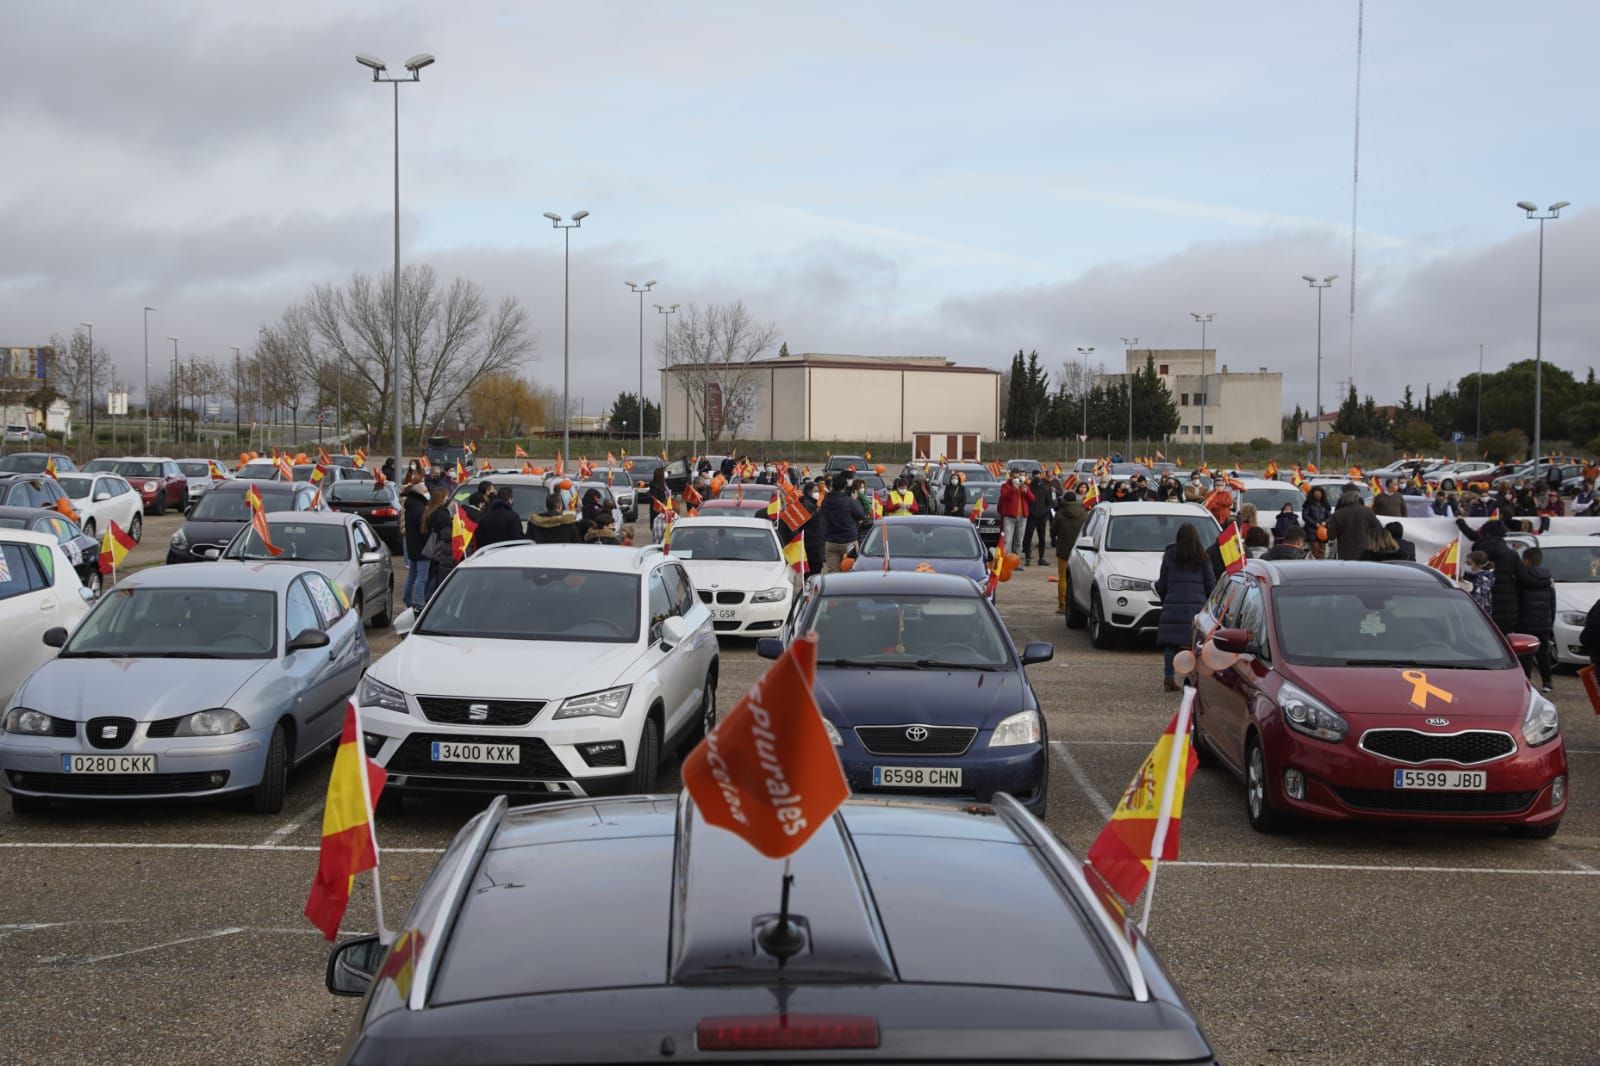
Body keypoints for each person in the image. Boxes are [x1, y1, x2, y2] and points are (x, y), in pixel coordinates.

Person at [1154, 523, 1216, 692]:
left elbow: (1163, 583)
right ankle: (1194, 678)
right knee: (1197, 644)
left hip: (1173, 604)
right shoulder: (1203, 557)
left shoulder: (1169, 556)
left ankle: (1168, 676)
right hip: (1196, 607)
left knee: (1171, 644)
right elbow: (1211, 584)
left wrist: (1165, 598)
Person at [1456, 519, 1522, 634]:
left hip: (1479, 611)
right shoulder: (1512, 554)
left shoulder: (1476, 553)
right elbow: (1523, 578)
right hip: (1507, 606)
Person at [1518, 545, 1556, 693]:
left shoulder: (1523, 578)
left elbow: (1519, 600)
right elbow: (1552, 603)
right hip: (1544, 622)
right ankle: (1547, 681)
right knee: (1543, 653)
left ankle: (1527, 681)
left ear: (1526, 560)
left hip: (1526, 621)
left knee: (1526, 654)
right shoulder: (1548, 578)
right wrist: (1550, 621)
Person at [821, 473, 867, 573]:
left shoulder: (826, 500)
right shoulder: (849, 501)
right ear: (845, 487)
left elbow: (823, 515)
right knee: (850, 571)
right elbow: (860, 515)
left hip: (831, 541)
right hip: (849, 541)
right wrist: (855, 501)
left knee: (832, 572)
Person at [1051, 490, 1087, 615]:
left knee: (1062, 578)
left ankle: (1063, 605)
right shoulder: (1084, 513)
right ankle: (1080, 603)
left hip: (1064, 550)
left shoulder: (1060, 513)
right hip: (1080, 550)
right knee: (1079, 577)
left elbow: (1052, 531)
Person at [401, 480, 432, 611]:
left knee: (412, 575)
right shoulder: (420, 509)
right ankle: (419, 602)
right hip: (422, 548)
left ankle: (408, 598)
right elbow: (424, 530)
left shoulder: (410, 507)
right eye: (425, 491)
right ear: (420, 493)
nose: (427, 493)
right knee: (421, 577)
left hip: (412, 546)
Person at [1328, 487, 1381, 561]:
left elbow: (1331, 535)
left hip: (1345, 553)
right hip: (1366, 551)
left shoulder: (1338, 514)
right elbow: (1379, 529)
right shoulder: (1368, 512)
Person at [422, 487, 455, 598]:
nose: (447, 498)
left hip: (433, 546)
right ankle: (430, 597)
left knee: (431, 574)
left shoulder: (430, 511)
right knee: (436, 576)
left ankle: (428, 596)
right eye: (446, 496)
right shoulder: (442, 513)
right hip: (440, 547)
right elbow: (446, 529)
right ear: (441, 498)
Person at [998, 471, 1033, 563]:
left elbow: (1032, 499)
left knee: (1019, 541)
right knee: (1007, 541)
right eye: (1015, 477)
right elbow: (1004, 497)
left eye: (1019, 477)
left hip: (1022, 517)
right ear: (1011, 477)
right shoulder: (1005, 486)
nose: (1017, 479)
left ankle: (1016, 562)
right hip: (1009, 517)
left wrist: (1026, 491)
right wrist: (1013, 488)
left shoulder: (1025, 486)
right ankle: (1005, 561)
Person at [1023, 472, 1053, 566]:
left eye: (1038, 476)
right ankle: (1027, 557)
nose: (1037, 478)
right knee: (1028, 537)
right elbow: (1025, 502)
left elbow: (1049, 503)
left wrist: (1045, 512)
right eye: (1035, 476)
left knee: (1042, 538)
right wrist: (1029, 511)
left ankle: (1041, 558)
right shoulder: (1029, 489)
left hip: (1042, 517)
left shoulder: (1044, 489)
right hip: (1031, 516)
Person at [1301, 485, 1331, 559]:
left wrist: (1325, 522)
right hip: (1312, 530)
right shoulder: (1308, 503)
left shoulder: (1325, 504)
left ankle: (1321, 564)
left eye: (1319, 494)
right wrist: (1315, 524)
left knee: (1322, 549)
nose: (1317, 496)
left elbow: (1330, 516)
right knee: (1315, 549)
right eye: (1316, 494)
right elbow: (1305, 516)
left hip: (1323, 530)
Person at [1462, 550, 1495, 616]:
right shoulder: (1469, 575)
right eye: (1466, 562)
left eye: (1469, 563)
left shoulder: (1485, 578)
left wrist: (1464, 584)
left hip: (1479, 615)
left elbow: (1476, 588)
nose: (1466, 565)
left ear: (1478, 565)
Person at [647, 468, 672, 543]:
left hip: (668, 510)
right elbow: (656, 502)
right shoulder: (654, 487)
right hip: (659, 514)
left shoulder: (664, 484)